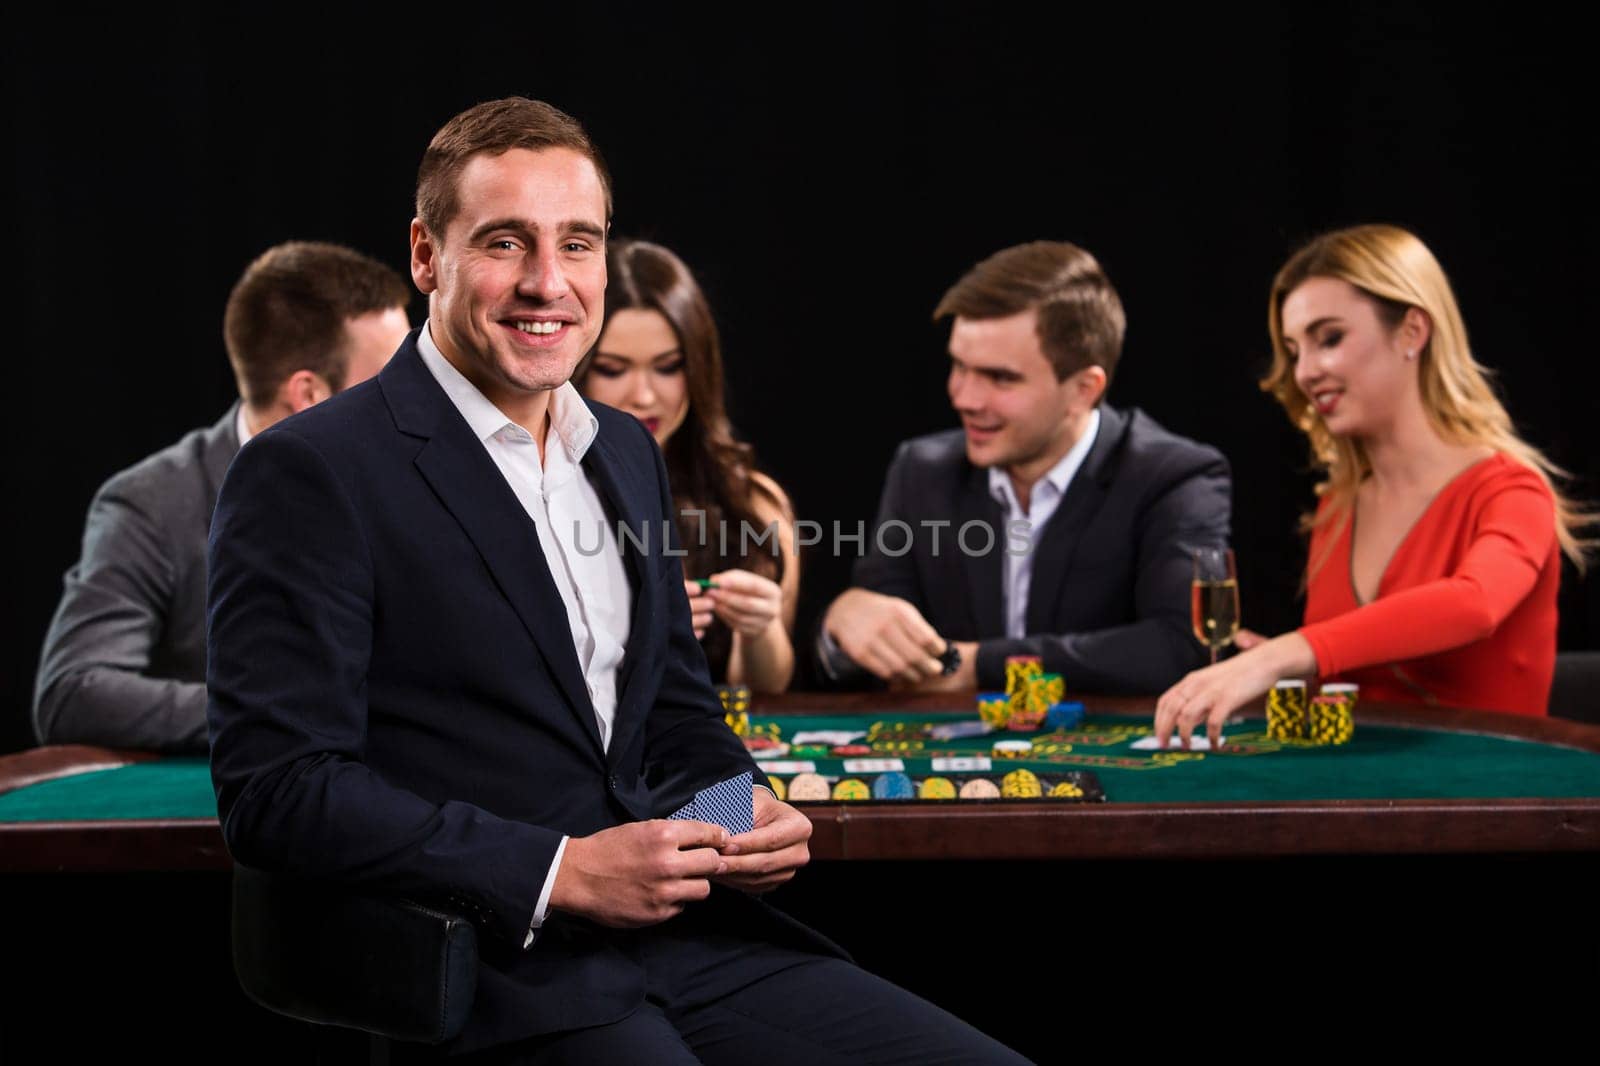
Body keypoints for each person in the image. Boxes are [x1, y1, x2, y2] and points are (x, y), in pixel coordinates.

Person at [206, 97, 1029, 1064]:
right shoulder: (312, 470)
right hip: (495, 975)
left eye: (579, 243)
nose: (548, 283)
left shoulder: (626, 451)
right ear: (428, 256)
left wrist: (737, 819)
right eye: (506, 243)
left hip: (691, 945)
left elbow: (676, 721)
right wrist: (562, 873)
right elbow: (279, 793)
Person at [1154, 224, 1591, 748]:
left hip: (1484, 807)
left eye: (1329, 338)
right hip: (1359, 802)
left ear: (1412, 332)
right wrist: (1287, 677)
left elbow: (1475, 605)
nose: (1306, 371)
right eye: (1294, 350)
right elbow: (1359, 681)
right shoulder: (1337, 507)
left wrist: (1290, 651)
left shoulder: (1513, 491)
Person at [32, 241, 410, 751]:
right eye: (392, 380)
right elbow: (74, 692)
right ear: (309, 394)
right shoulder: (155, 503)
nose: (414, 395)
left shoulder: (425, 475)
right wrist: (280, 713)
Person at [817, 240, 1231, 694]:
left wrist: (981, 665)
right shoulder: (921, 470)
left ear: (1083, 389)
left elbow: (1181, 648)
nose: (964, 398)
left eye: (1000, 378)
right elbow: (881, 654)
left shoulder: (1174, 475)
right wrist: (844, 622)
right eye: (959, 366)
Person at [575, 239, 797, 693]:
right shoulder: (530, 489)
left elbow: (767, 693)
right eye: (614, 369)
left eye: (668, 367)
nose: (644, 395)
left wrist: (760, 627)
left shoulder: (751, 503)